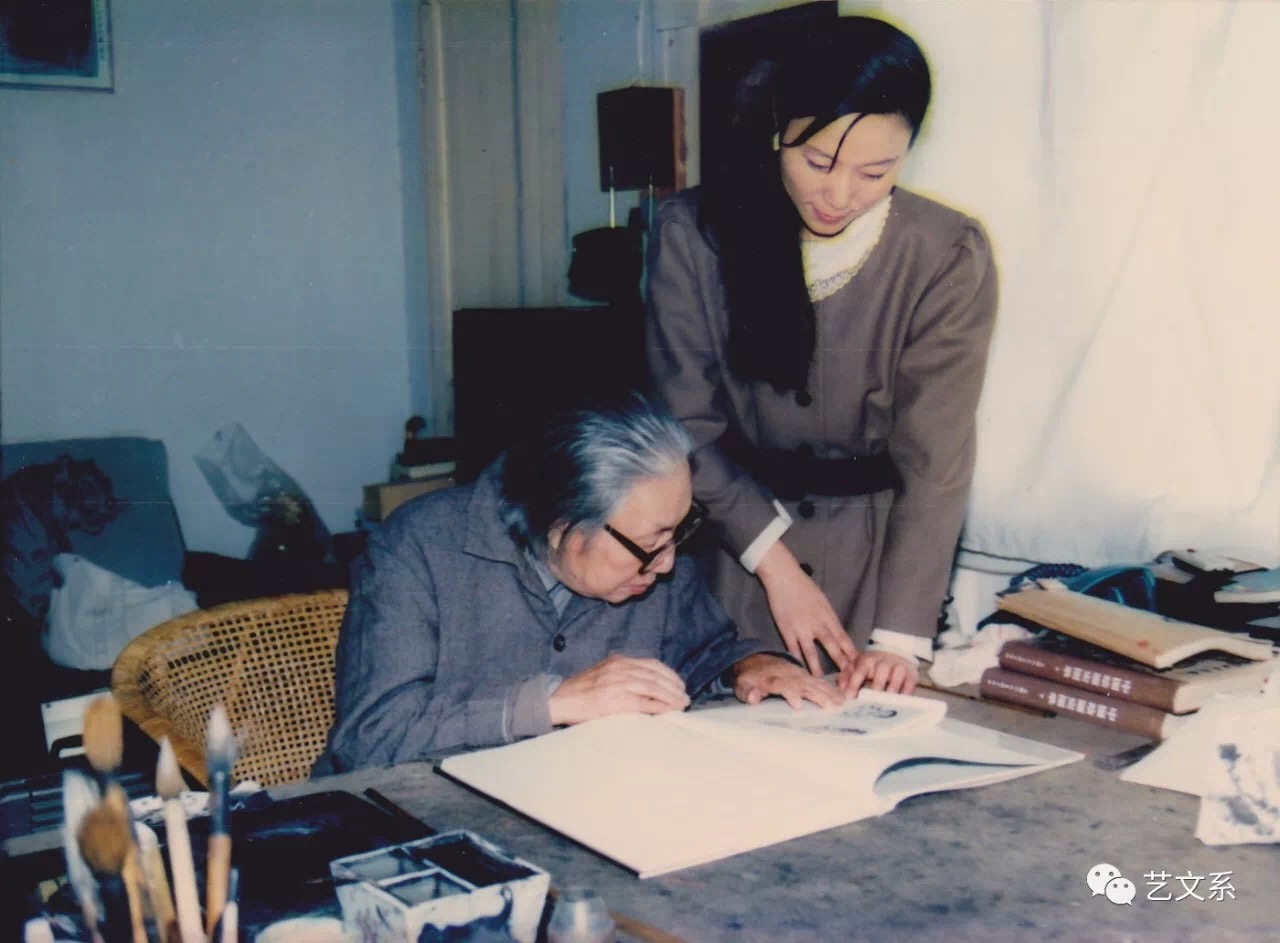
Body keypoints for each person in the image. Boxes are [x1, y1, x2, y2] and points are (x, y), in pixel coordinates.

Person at [645, 16, 998, 696]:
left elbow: (936, 457)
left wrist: (898, 638)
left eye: (876, 171)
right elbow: (685, 425)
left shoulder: (945, 253)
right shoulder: (695, 234)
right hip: (729, 554)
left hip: (879, 571)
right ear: (777, 130)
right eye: (816, 162)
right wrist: (775, 568)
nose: (839, 196)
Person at [315, 396, 840, 774]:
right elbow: (372, 737)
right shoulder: (416, 549)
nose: (667, 565)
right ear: (561, 527)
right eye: (650, 544)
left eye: (679, 531)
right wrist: (555, 702)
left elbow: (706, 649)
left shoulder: (647, 553)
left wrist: (753, 667)